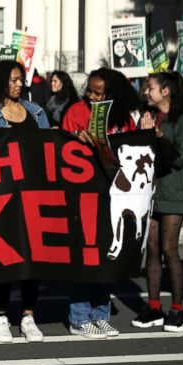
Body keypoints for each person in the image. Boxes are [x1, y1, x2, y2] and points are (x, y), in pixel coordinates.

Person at [0, 61, 48, 343]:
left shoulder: (36, 113)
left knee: (32, 259)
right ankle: (0, 316)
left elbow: (49, 152)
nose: (19, 84)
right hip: (0, 198)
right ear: (1, 82)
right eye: (14, 80)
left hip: (33, 196)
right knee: (3, 258)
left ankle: (28, 315)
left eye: (21, 79)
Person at [60, 68, 138, 340]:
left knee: (106, 257)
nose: (91, 97)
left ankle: (100, 314)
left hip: (113, 195)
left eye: (98, 93)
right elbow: (59, 150)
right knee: (85, 255)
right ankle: (79, 317)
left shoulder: (125, 118)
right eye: (89, 91)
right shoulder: (75, 112)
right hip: (82, 194)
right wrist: (75, 140)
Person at [132, 71, 183, 333]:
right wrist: (143, 134)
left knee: (170, 248)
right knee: (152, 247)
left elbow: (179, 158)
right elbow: (138, 152)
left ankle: (178, 310)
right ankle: (154, 306)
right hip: (151, 190)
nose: (146, 92)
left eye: (151, 88)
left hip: (175, 191)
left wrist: (157, 136)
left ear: (166, 91)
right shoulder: (149, 117)